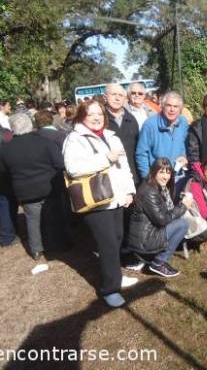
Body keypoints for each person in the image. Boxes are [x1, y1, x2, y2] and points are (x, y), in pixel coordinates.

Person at [63, 100, 136, 308]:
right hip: (96, 201)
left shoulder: (111, 136)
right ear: (81, 116)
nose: (96, 117)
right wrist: (106, 158)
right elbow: (73, 168)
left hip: (117, 197)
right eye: (91, 114)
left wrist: (129, 190)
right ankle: (110, 289)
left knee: (118, 238)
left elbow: (124, 166)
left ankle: (116, 276)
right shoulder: (75, 139)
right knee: (108, 244)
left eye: (100, 114)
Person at [0, 113, 68, 259]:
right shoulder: (44, 142)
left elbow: (4, 170)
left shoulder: (5, 149)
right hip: (48, 186)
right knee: (53, 217)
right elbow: (59, 164)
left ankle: (36, 250)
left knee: (32, 220)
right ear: (30, 125)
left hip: (24, 190)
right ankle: (58, 244)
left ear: (12, 129)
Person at [127, 158, 192, 277]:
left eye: (168, 172)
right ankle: (159, 262)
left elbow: (166, 212)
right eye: (161, 172)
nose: (165, 176)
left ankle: (149, 258)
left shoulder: (158, 187)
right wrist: (183, 206)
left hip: (149, 232)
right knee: (183, 224)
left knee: (179, 220)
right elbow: (163, 220)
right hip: (144, 240)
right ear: (153, 172)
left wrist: (180, 204)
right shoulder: (149, 191)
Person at [136, 91, 189, 181]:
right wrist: (148, 178)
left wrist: (184, 157)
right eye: (169, 105)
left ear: (180, 109)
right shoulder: (150, 125)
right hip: (157, 178)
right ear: (162, 106)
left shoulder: (183, 122)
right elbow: (141, 154)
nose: (172, 109)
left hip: (178, 176)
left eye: (175, 106)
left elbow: (184, 144)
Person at [104, 83, 140, 185]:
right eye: (114, 94)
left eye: (121, 95)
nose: (117, 98)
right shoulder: (100, 120)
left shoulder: (131, 120)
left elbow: (137, 149)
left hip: (132, 177)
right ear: (105, 97)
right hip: (110, 179)